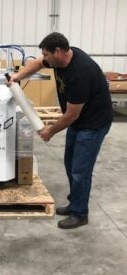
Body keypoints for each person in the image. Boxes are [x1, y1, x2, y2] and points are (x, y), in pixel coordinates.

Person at [9, 32, 113, 229]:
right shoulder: (59, 60)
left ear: (58, 51)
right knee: (70, 164)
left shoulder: (80, 73)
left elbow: (71, 115)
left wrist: (50, 131)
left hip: (93, 124)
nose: (44, 58)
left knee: (80, 170)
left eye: (47, 54)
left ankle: (80, 213)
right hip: (79, 121)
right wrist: (17, 76)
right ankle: (76, 203)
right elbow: (38, 63)